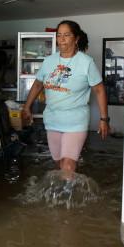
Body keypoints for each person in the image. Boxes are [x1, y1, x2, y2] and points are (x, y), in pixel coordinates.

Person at [22, 20, 109, 173]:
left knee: (67, 166)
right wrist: (27, 106)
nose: (61, 39)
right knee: (58, 164)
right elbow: (37, 85)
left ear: (76, 39)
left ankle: (70, 195)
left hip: (76, 121)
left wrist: (104, 119)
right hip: (53, 120)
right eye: (59, 35)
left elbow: (100, 90)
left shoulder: (86, 62)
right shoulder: (49, 61)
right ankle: (68, 188)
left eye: (66, 35)